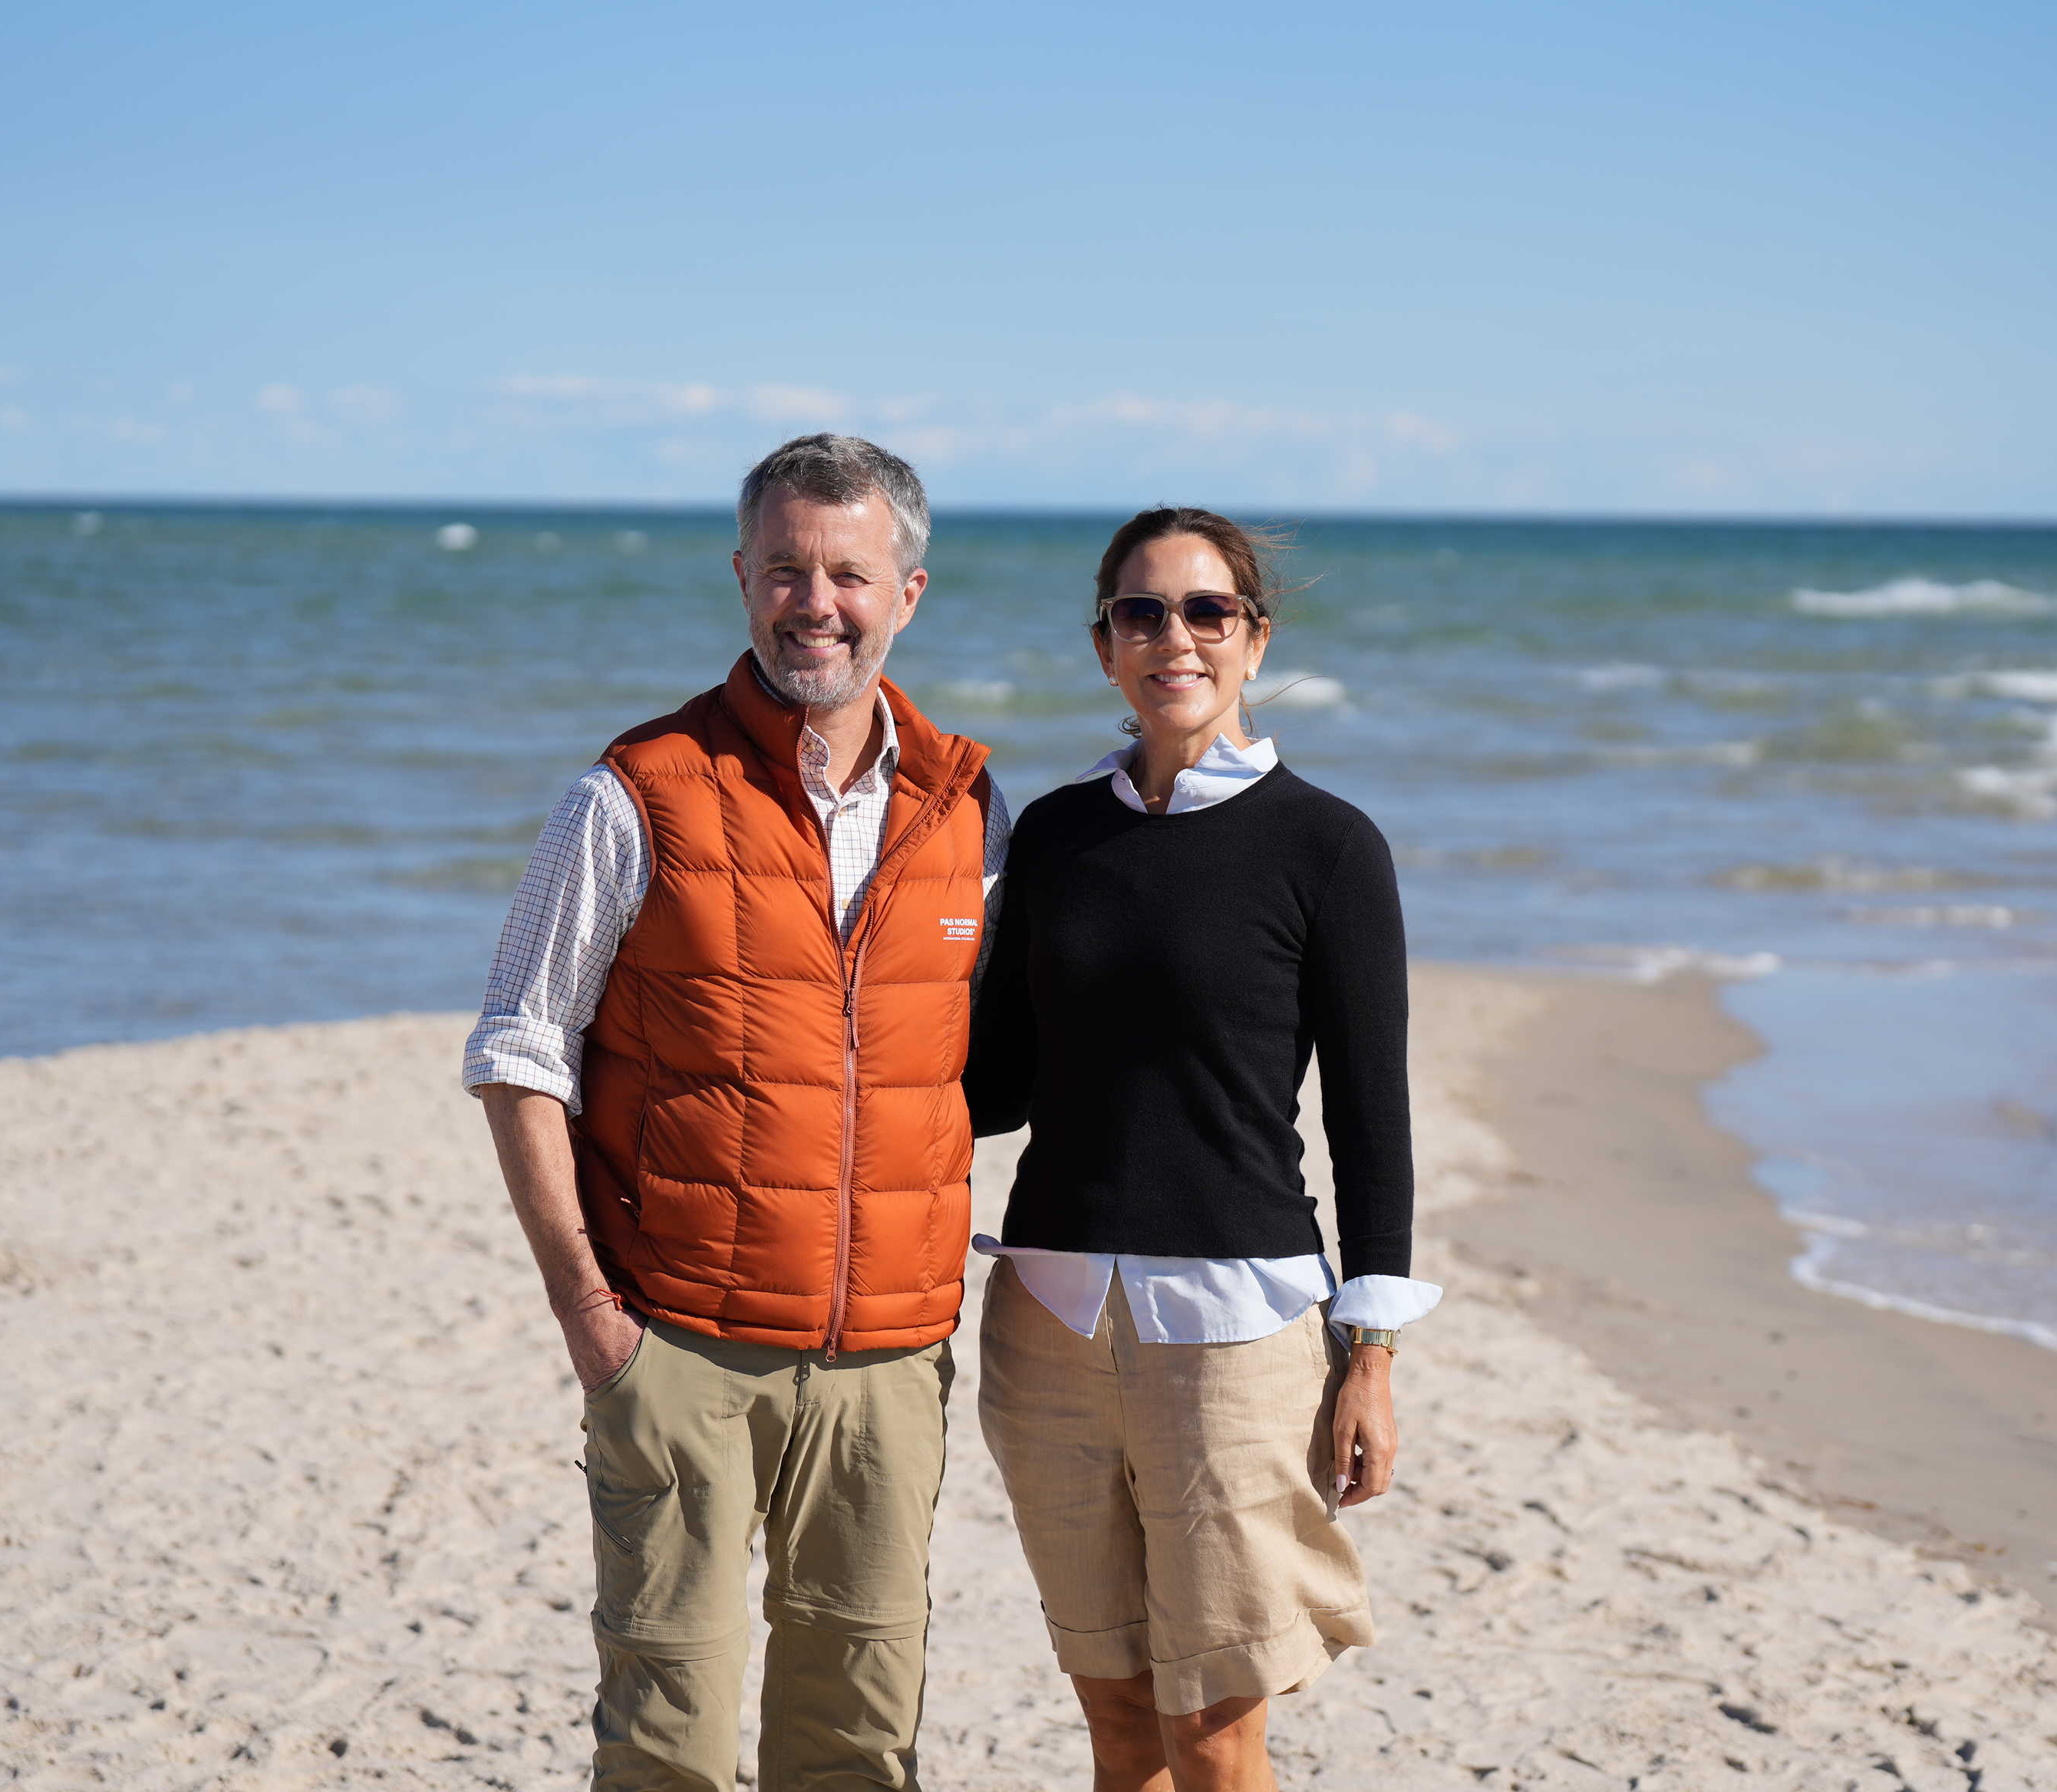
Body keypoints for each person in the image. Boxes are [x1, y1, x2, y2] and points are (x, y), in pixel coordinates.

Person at [462, 434, 1009, 1791]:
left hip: (890, 1363)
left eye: (847, 574)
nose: (813, 603)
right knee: (671, 1743)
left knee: (859, 1742)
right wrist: (592, 1318)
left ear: (910, 592)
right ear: (742, 578)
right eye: (783, 571)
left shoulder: (973, 811)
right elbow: (520, 1053)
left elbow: (981, 1062)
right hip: (680, 1347)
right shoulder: (633, 790)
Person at [963, 507, 1439, 1792]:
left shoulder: (1327, 847)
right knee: (1116, 1718)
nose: (1175, 636)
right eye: (1142, 612)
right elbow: (991, 1086)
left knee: (1217, 1732)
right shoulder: (1054, 838)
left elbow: (1371, 1122)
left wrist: (1371, 1356)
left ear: (1254, 637)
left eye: (1206, 611)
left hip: (1237, 1337)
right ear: (1105, 645)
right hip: (1045, 1324)